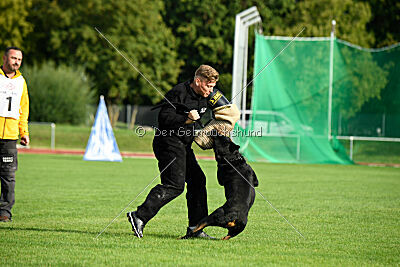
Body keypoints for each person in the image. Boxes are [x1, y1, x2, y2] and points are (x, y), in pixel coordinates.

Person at [127, 65, 219, 238]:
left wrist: (229, 116)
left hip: (184, 145)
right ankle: (139, 216)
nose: (211, 90)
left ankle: (196, 229)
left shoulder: (208, 94)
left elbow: (225, 108)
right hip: (167, 143)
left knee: (198, 180)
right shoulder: (178, 93)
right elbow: (163, 119)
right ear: (198, 81)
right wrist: (186, 119)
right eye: (208, 86)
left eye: (213, 86)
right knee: (174, 185)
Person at [0, 46, 30, 222]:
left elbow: (23, 109)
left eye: (19, 59)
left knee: (8, 176)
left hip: (10, 137)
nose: (16, 62)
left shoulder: (22, 82)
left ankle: (4, 212)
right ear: (4, 58)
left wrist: (23, 132)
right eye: (13, 58)